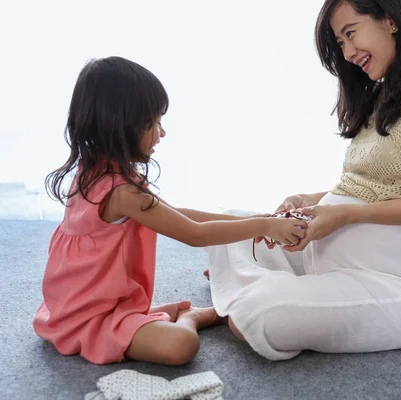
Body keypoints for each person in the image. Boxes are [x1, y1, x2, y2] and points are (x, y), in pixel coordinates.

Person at [204, 0, 401, 361]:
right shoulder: (386, 94)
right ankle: (264, 287)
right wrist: (309, 198)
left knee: (257, 316)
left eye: (351, 33)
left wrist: (345, 216)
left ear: (389, 19)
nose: (348, 52)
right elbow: (372, 185)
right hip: (331, 257)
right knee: (229, 226)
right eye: (340, 43)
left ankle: (249, 293)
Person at [32, 56, 308, 366]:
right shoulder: (122, 192)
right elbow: (194, 233)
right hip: (89, 316)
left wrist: (256, 220)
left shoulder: (96, 171)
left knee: (160, 335)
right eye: (154, 123)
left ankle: (148, 316)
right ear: (121, 124)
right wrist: (264, 228)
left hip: (76, 303)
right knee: (181, 345)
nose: (161, 133)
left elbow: (179, 215)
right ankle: (192, 317)